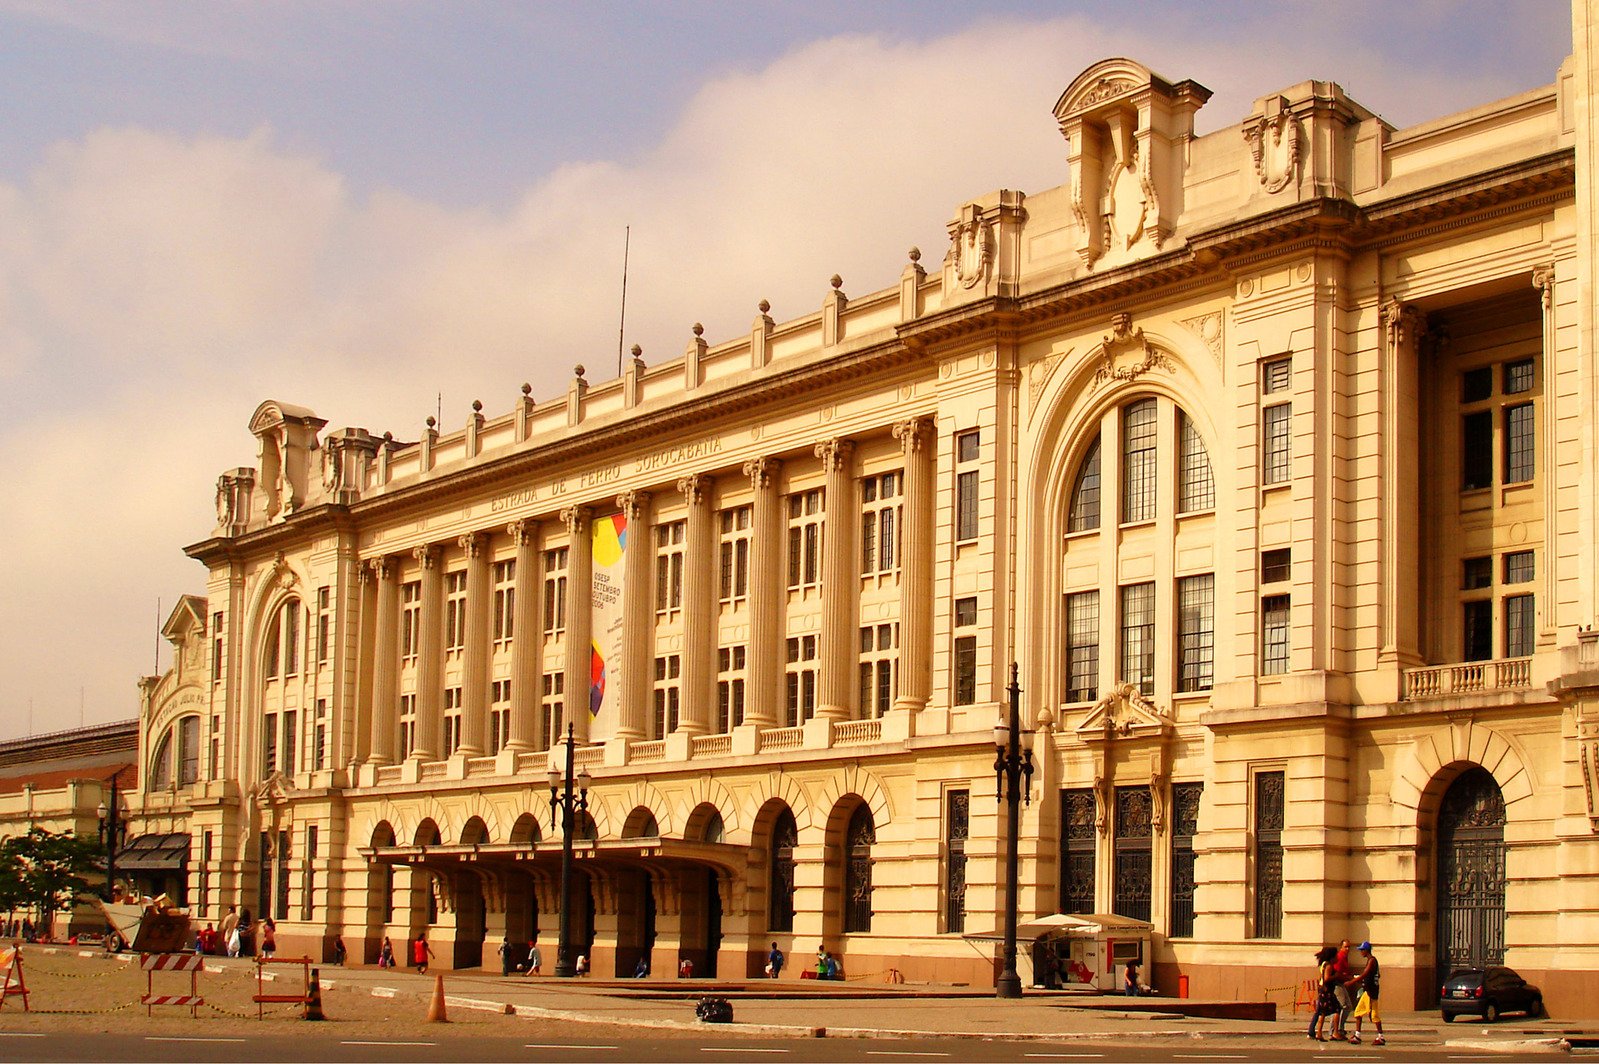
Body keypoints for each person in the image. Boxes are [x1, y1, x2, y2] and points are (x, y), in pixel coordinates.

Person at [1345, 941, 1385, 1047]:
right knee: (1358, 1012)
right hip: (1367, 991)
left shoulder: (1372, 961)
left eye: (1362, 950)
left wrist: (1351, 982)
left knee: (1374, 1015)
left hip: (1371, 992)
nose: (1361, 952)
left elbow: (1365, 974)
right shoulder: (1371, 961)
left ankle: (1381, 1037)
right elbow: (1374, 975)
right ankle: (1357, 1035)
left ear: (1366, 950)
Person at [1308, 946, 1340, 1040]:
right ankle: (1335, 1032)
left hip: (1323, 990)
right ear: (1332, 957)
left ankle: (1319, 1033)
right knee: (1337, 1009)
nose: (1337, 957)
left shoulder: (1324, 964)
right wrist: (1335, 976)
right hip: (1327, 991)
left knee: (1322, 1012)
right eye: (1336, 955)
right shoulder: (1329, 966)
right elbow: (1326, 978)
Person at [1331, 938, 1353, 1040]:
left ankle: (1340, 1028)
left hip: (1342, 983)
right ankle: (1335, 1030)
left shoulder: (1345, 957)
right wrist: (1347, 978)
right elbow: (1338, 973)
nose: (1347, 949)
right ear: (1341, 947)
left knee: (1348, 1006)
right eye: (1345, 947)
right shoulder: (1340, 957)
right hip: (1337, 984)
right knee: (1341, 1006)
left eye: (1349, 947)